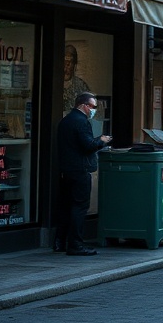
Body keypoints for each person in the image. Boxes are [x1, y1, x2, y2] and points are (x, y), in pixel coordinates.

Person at [55, 91, 111, 256]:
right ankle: (75, 245)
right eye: (92, 106)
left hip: (66, 170)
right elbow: (88, 145)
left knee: (66, 207)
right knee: (79, 207)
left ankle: (59, 242)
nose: (94, 110)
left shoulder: (65, 120)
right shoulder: (81, 122)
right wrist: (102, 140)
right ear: (83, 105)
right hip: (80, 170)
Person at [61, 44, 90, 118]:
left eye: (70, 63)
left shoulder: (81, 86)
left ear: (74, 65)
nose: (66, 67)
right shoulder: (54, 84)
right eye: (65, 62)